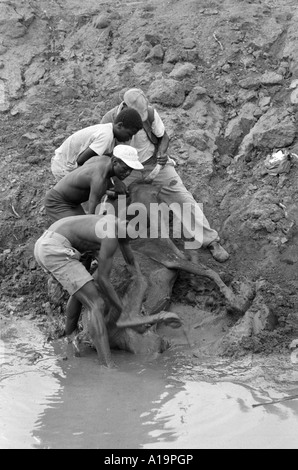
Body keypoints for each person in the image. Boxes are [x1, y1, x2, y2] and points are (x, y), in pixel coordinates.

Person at [100, 88, 229, 263]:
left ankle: (210, 240)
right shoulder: (110, 121)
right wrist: (115, 180)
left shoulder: (151, 114)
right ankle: (99, 246)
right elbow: (104, 155)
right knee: (109, 201)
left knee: (182, 197)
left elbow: (164, 137)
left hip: (153, 163)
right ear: (125, 106)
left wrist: (161, 153)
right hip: (125, 169)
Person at [34, 213, 137, 368]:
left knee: (81, 291)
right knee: (96, 303)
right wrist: (123, 310)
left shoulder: (113, 223)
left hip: (45, 244)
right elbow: (103, 280)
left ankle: (70, 336)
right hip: (56, 249)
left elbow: (129, 255)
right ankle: (107, 365)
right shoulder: (111, 234)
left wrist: (139, 276)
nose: (124, 241)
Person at [45, 145, 143, 222]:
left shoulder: (103, 159)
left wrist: (115, 184)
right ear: (114, 161)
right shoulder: (99, 180)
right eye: (125, 169)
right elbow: (91, 218)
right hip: (57, 202)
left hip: (72, 202)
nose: (128, 173)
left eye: (131, 170)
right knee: (82, 233)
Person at [50, 107, 143, 181]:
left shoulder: (109, 131)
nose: (129, 139)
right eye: (129, 134)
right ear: (119, 125)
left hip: (65, 162)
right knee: (88, 191)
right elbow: (81, 160)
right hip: (65, 167)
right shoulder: (106, 136)